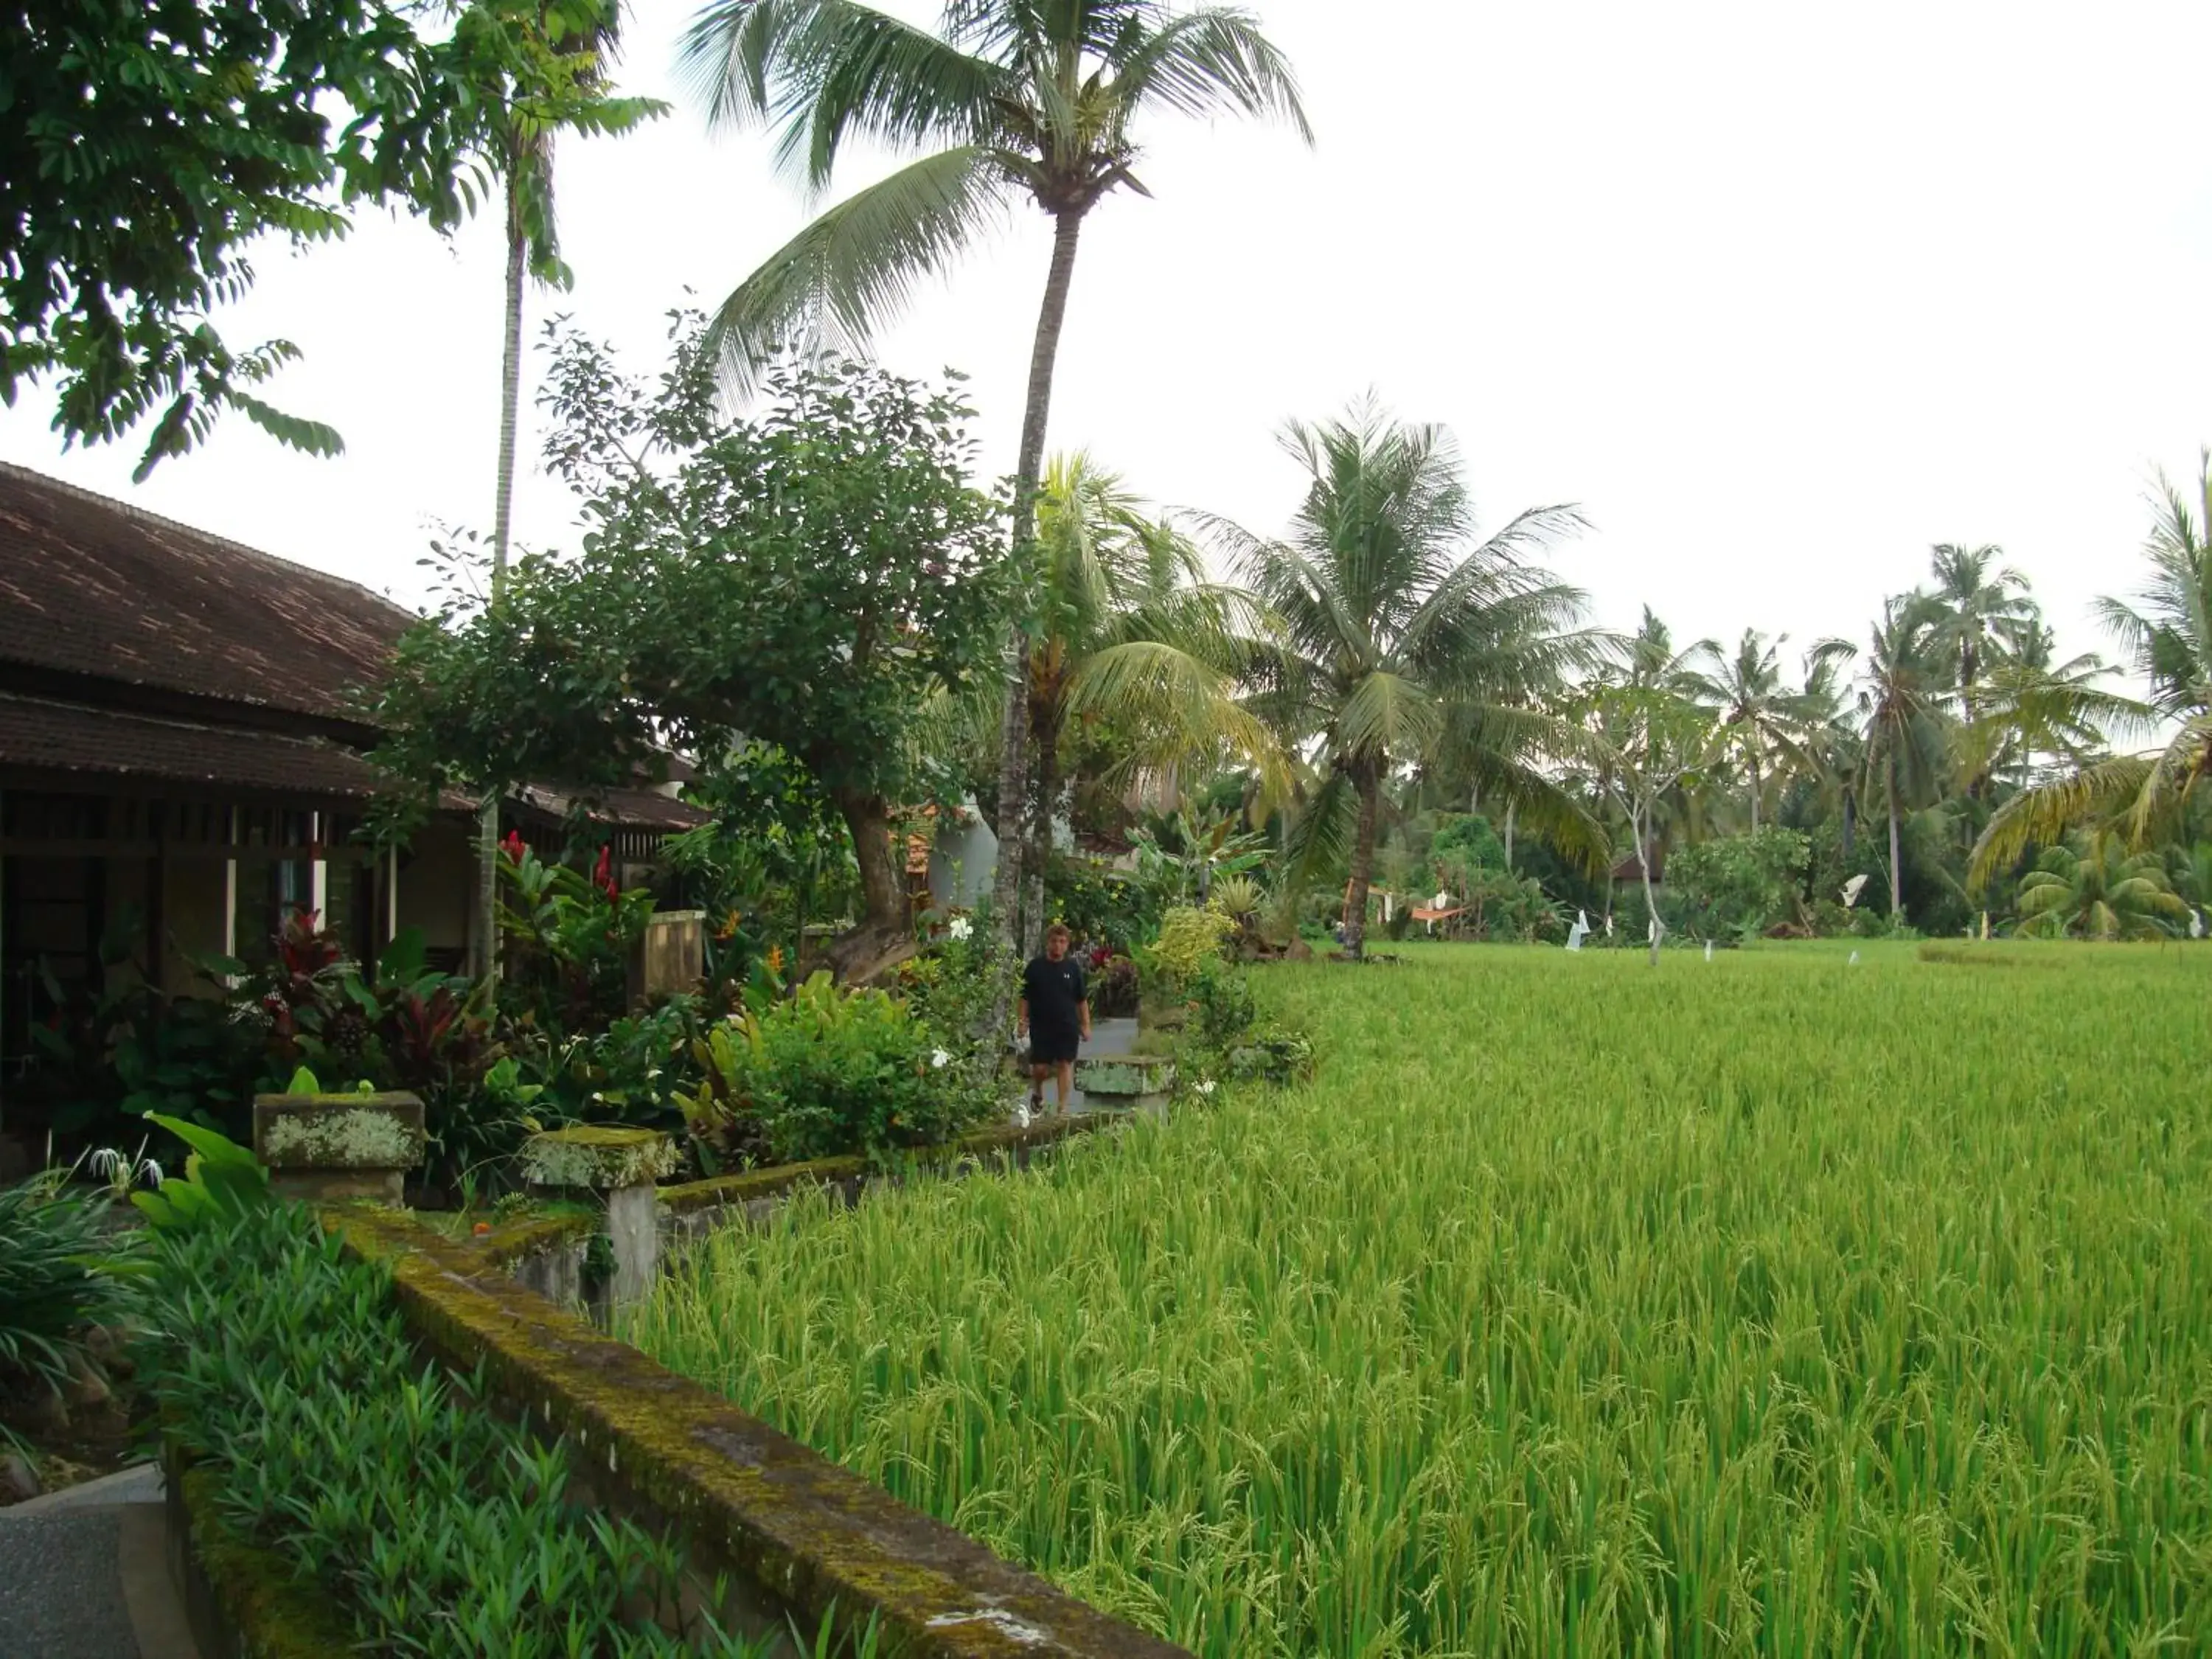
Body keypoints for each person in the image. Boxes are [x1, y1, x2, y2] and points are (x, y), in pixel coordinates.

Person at [1017, 922, 1090, 1113]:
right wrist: (1022, 1022)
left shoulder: (1073, 969)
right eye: (1054, 941)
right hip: (1042, 1027)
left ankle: (1062, 1108)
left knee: (1065, 1063)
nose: (1058, 945)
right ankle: (1038, 1091)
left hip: (1067, 1026)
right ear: (1048, 943)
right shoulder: (1035, 968)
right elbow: (1024, 997)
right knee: (1041, 1069)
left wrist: (1085, 1025)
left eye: (1062, 942)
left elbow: (1082, 1000)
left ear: (1067, 945)